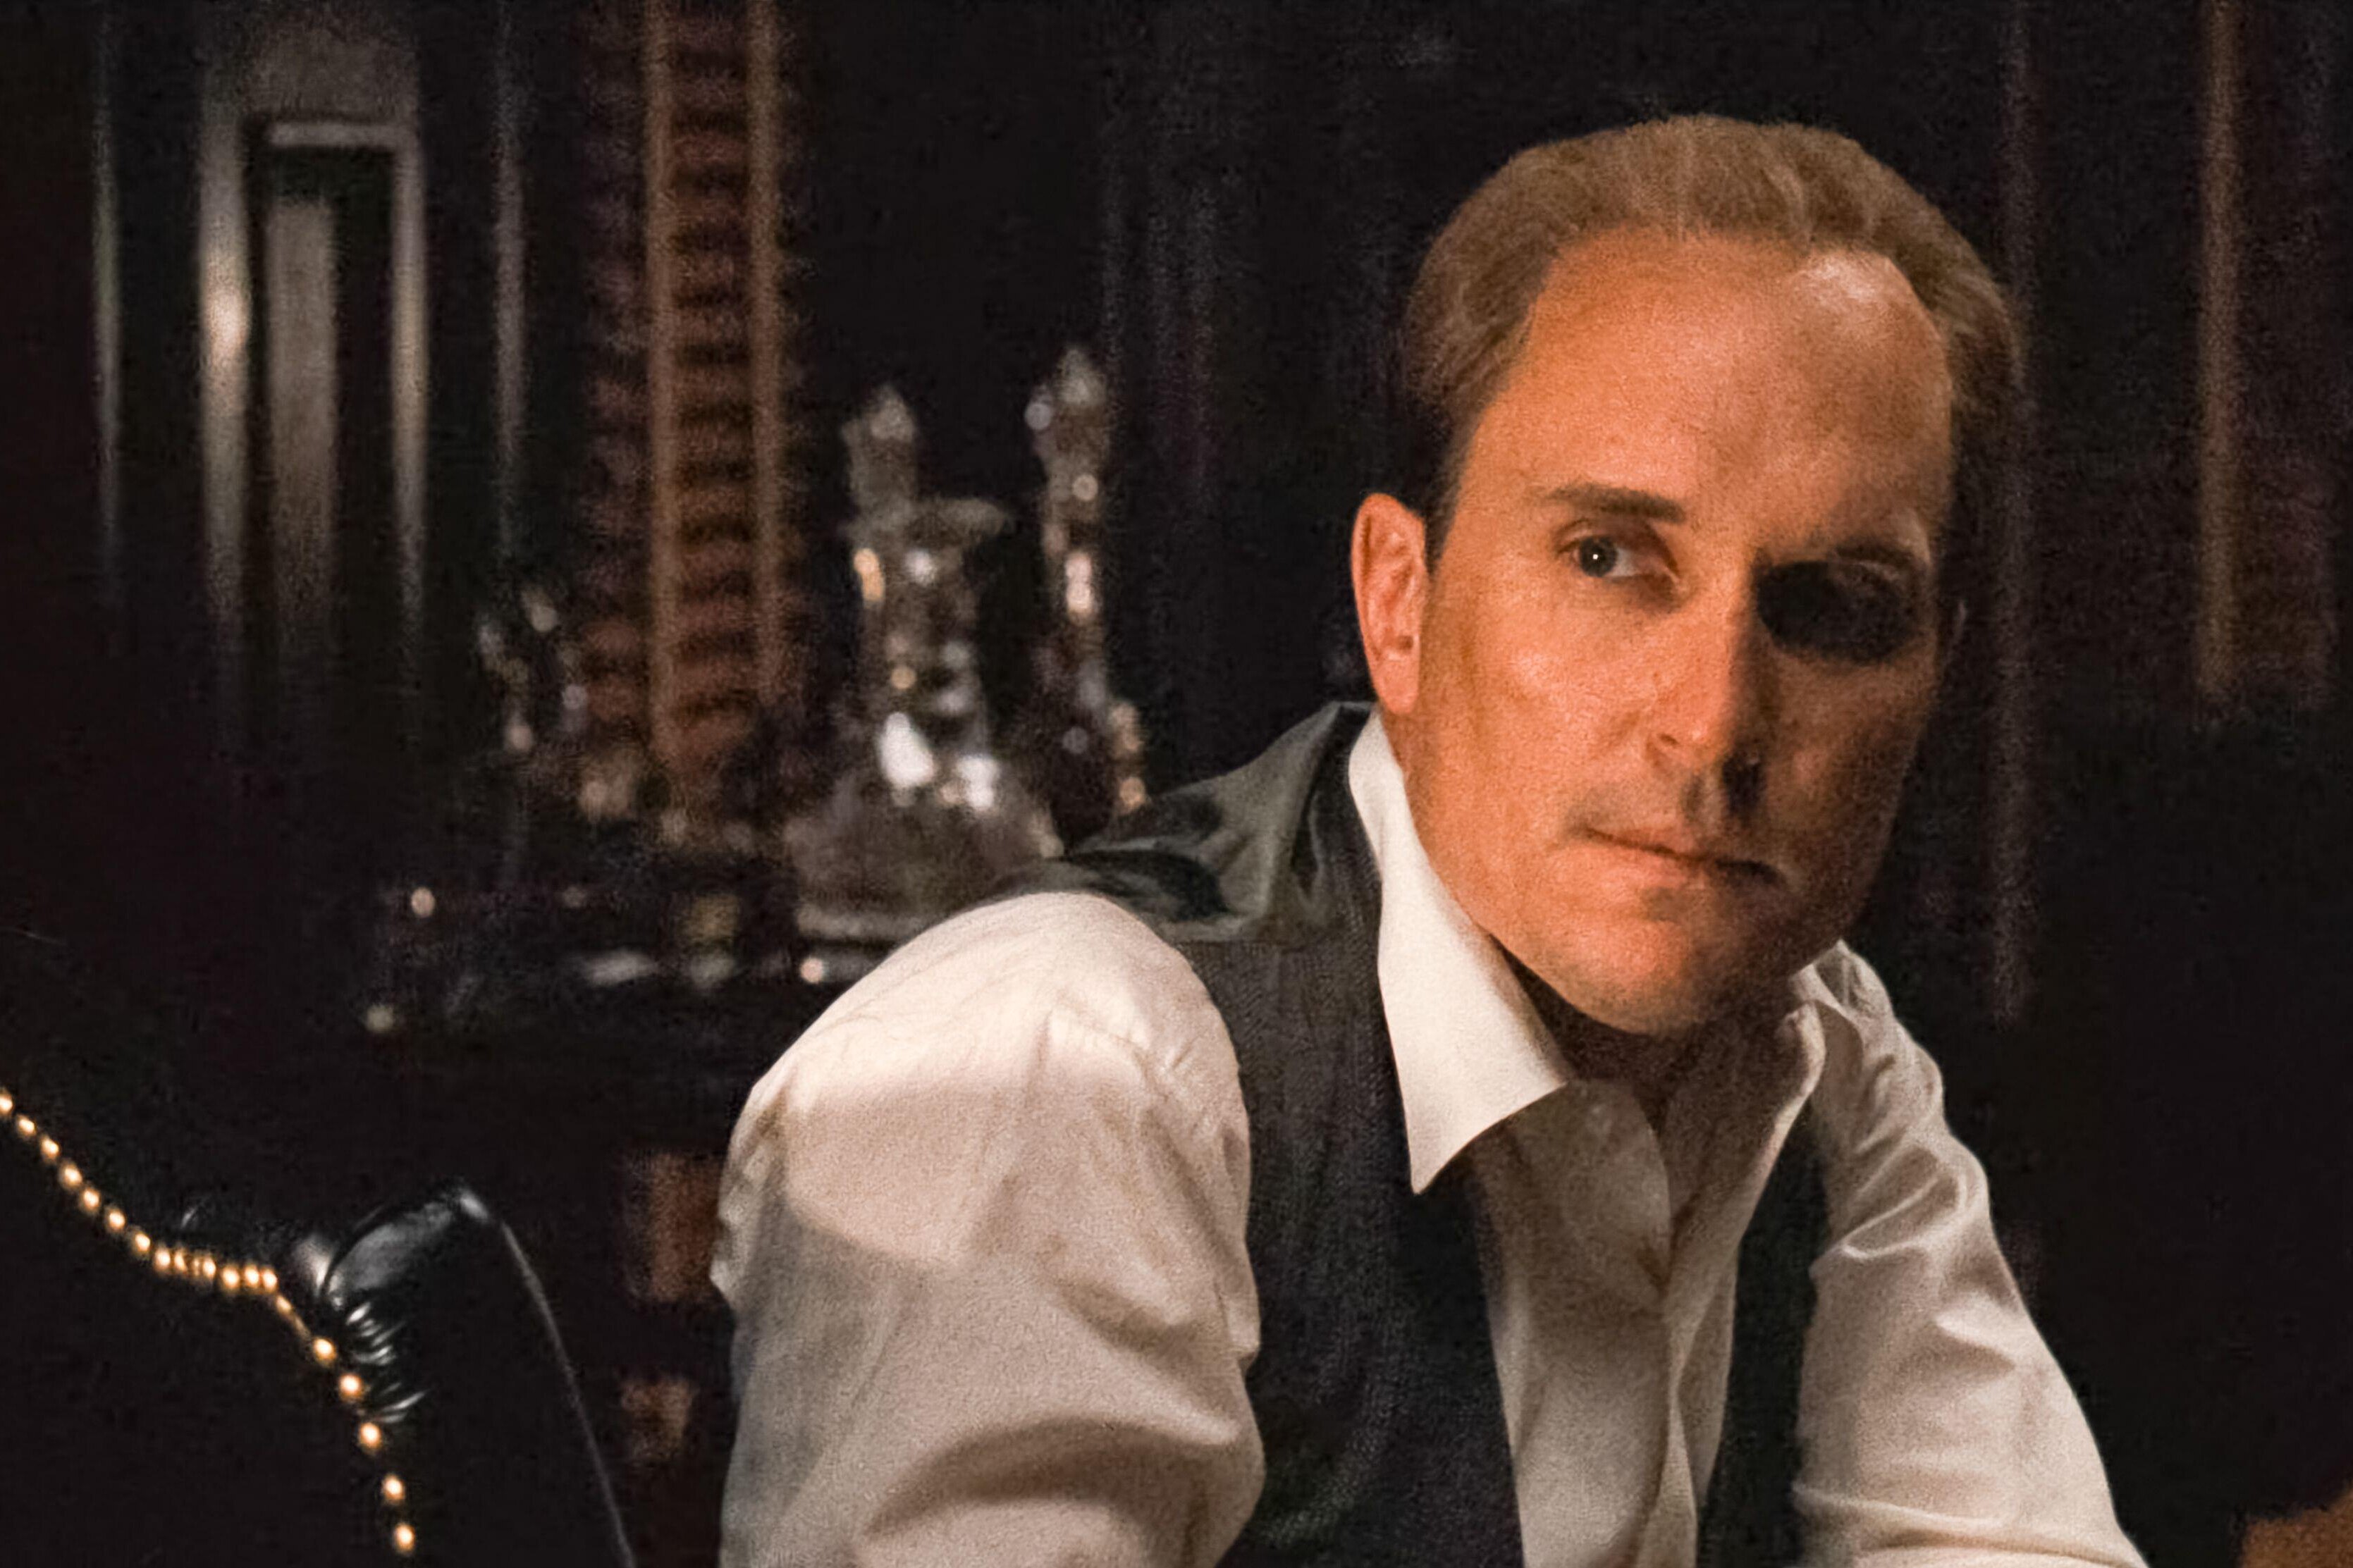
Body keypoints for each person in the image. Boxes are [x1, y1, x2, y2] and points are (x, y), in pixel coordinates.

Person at [713, 116, 2146, 1567]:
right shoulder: (1053, 1077)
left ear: (1939, 673)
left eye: (1833, 606)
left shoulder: (1816, 1051)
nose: (1714, 722)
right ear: (1398, 603)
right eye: (1606, 558)